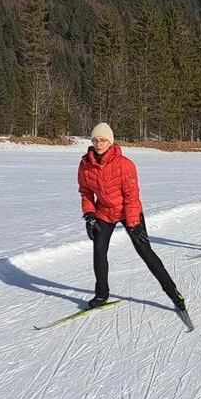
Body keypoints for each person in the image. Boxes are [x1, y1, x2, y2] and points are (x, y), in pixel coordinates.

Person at [79, 122, 185, 312]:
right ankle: (102, 293)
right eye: (95, 140)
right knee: (99, 250)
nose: (99, 143)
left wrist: (134, 224)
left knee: (145, 251)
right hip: (104, 212)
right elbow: (86, 192)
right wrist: (89, 214)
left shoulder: (124, 164)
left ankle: (173, 293)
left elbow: (132, 196)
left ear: (110, 142)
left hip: (129, 212)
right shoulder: (85, 164)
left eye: (103, 140)